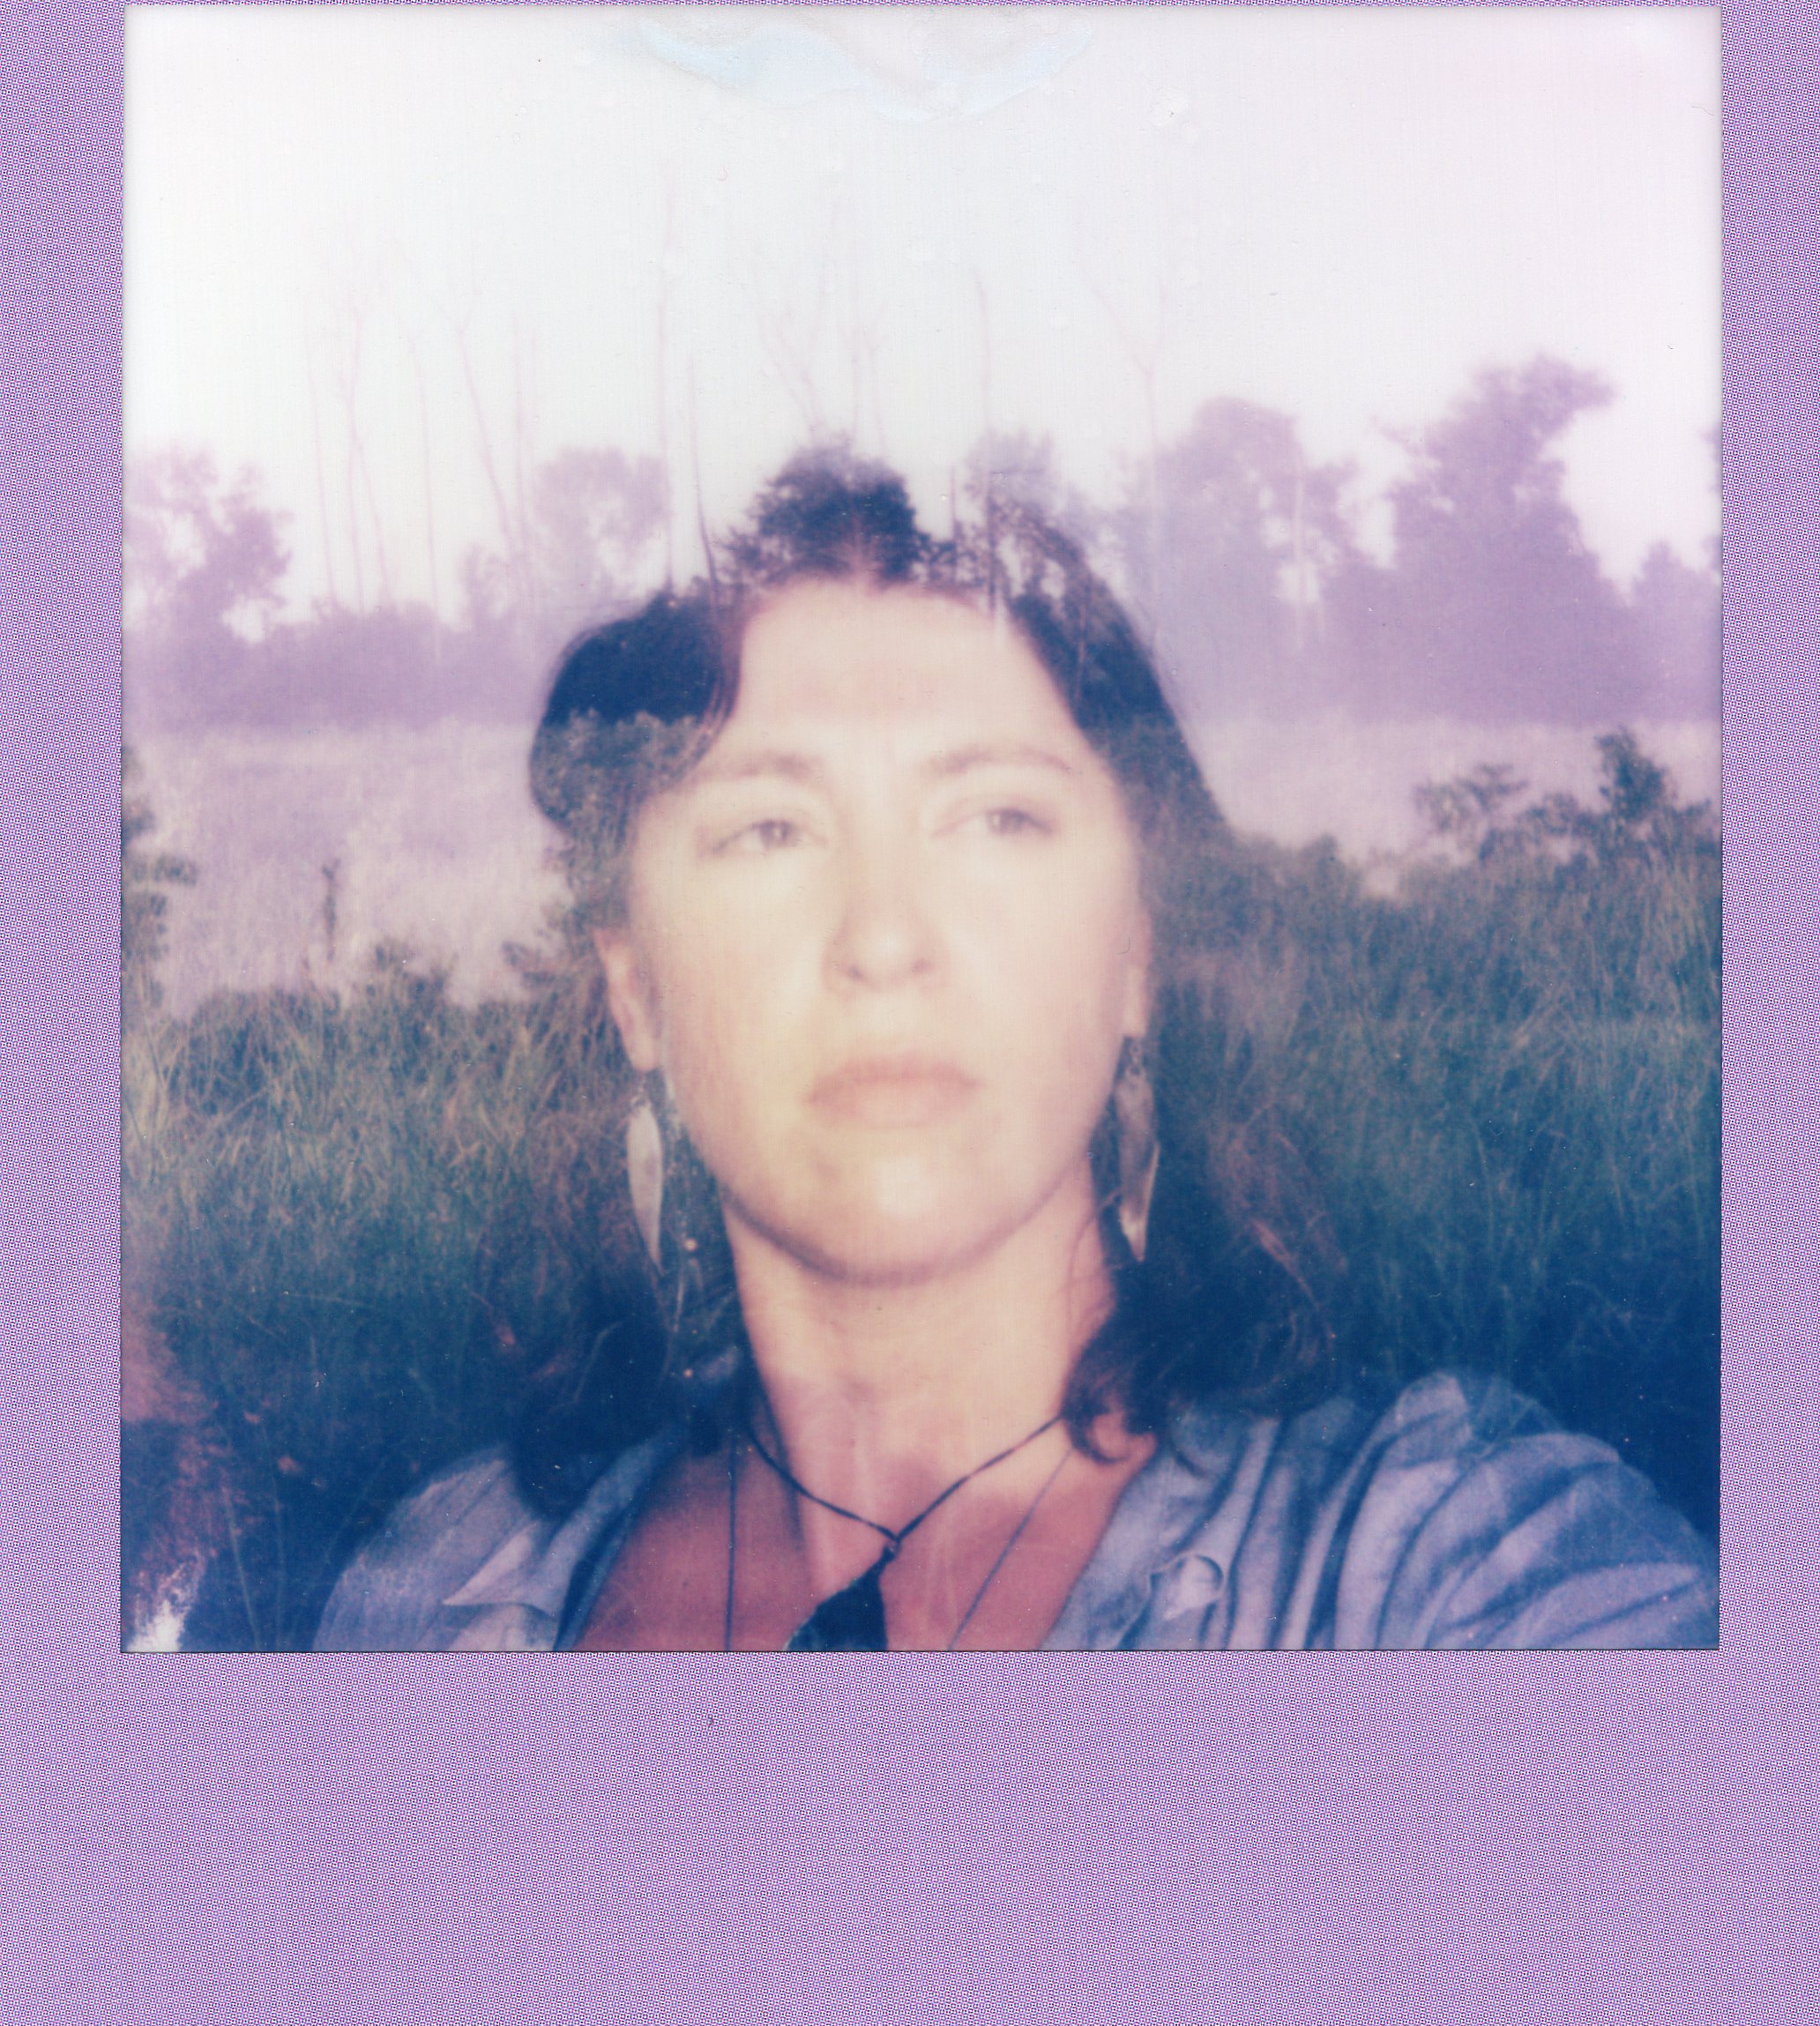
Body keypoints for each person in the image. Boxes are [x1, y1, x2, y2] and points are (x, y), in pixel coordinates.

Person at [316, 453, 1717, 1651]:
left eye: (997, 820)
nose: (883, 938)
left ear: (1137, 956)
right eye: (769, 831)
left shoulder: (1455, 1561)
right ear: (636, 994)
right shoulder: (433, 1602)